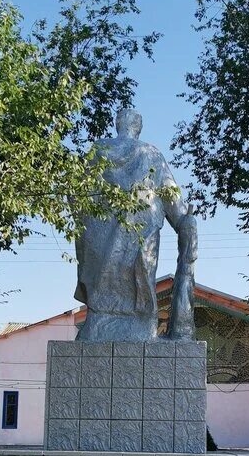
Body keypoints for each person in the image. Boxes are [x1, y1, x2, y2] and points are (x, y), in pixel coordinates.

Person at [75, 107, 198, 341]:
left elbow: (76, 198)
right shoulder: (150, 154)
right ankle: (138, 328)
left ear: (117, 125)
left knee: (102, 296)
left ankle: (101, 326)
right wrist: (185, 221)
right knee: (139, 292)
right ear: (138, 128)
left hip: (98, 248)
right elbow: (173, 200)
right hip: (139, 242)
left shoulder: (95, 153)